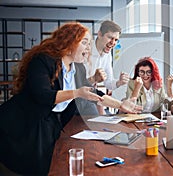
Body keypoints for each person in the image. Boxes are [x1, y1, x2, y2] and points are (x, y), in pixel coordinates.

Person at [0, 22, 140, 175]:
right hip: (21, 123)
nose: (88, 48)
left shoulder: (77, 68)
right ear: (69, 42)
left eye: (89, 44)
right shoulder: (43, 60)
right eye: (84, 43)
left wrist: (121, 105)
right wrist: (77, 93)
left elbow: (94, 93)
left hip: (47, 123)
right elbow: (43, 96)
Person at [85, 20, 129, 90]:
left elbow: (109, 83)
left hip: (91, 95)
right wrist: (93, 79)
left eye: (116, 40)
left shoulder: (107, 55)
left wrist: (119, 82)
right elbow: (76, 85)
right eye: (110, 38)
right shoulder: (85, 51)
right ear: (99, 34)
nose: (113, 42)